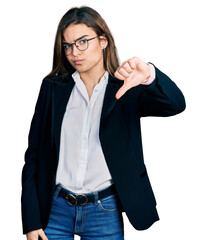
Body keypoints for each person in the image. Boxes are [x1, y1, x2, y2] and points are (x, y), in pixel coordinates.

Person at [21, 6, 186, 240]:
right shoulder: (52, 88)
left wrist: (150, 74)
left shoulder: (127, 88)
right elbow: (34, 155)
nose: (73, 52)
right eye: (67, 45)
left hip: (104, 211)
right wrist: (31, 220)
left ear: (103, 41)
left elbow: (176, 104)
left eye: (82, 42)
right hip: (54, 210)